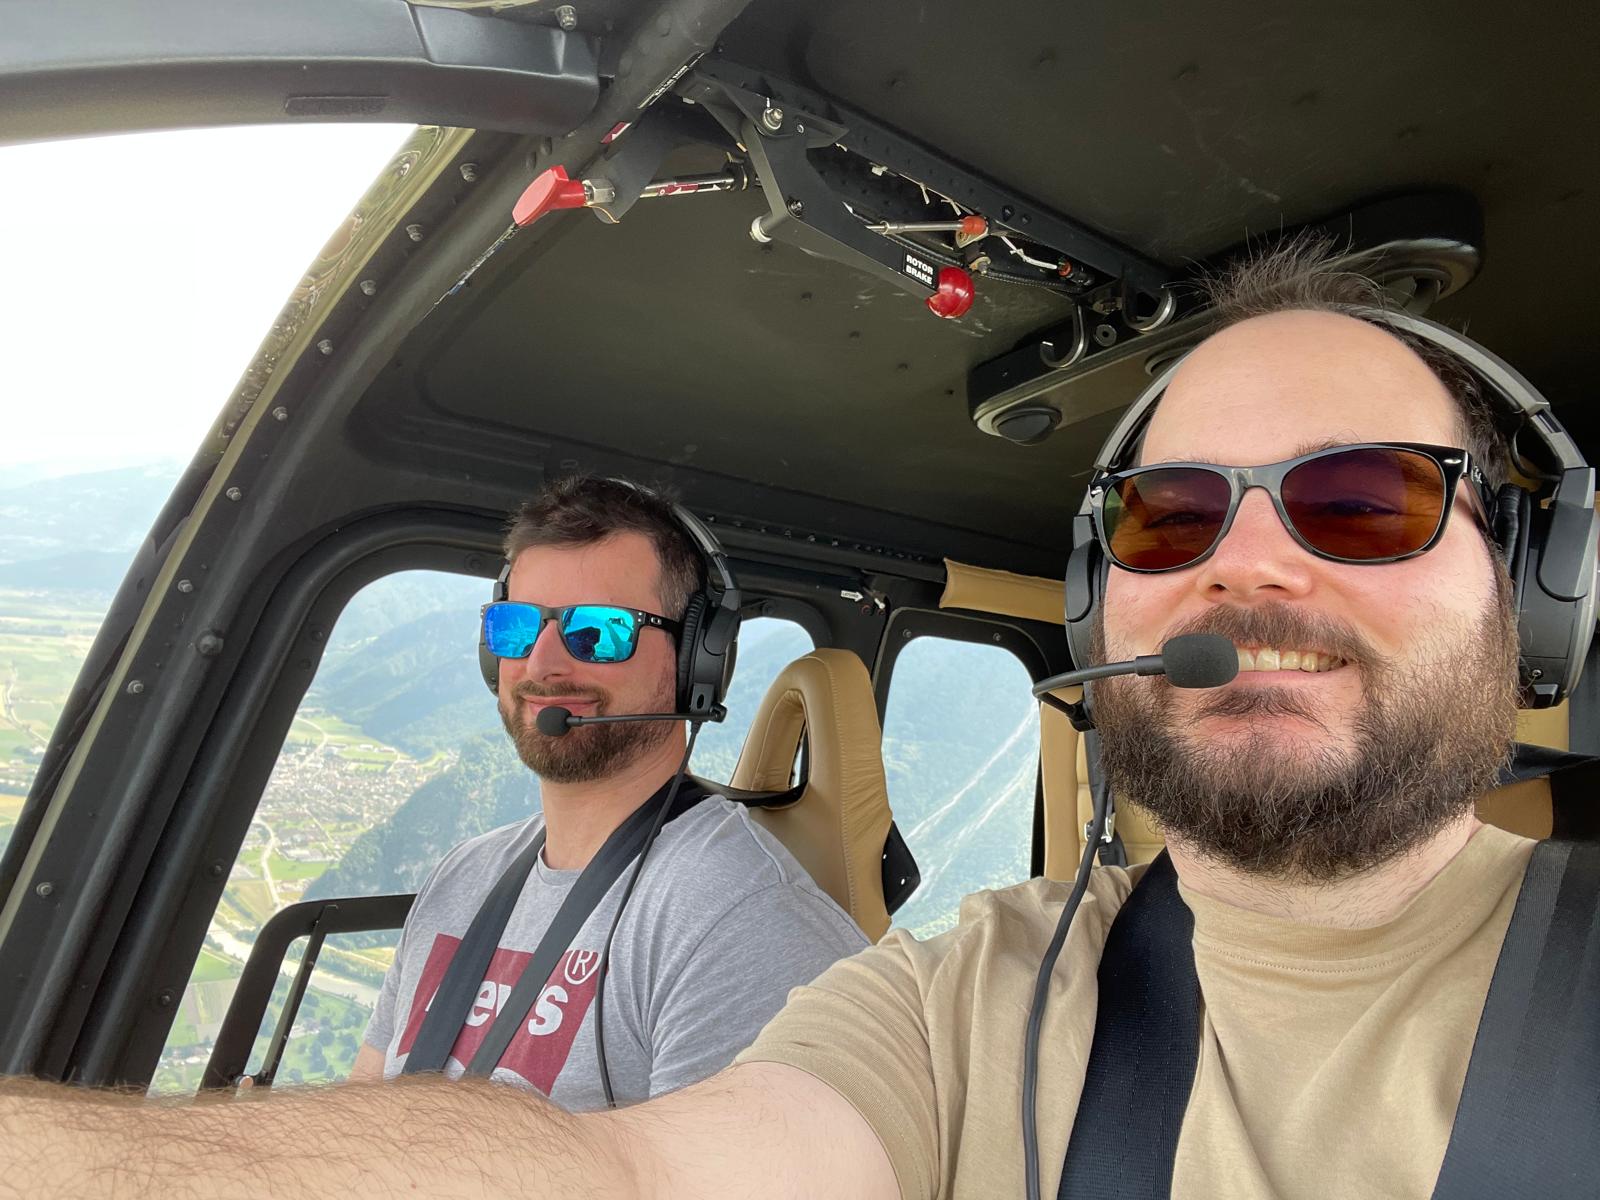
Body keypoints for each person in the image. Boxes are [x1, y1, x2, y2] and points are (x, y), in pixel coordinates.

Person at [0, 241, 1587, 1197]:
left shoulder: (729, 905)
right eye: (1171, 517)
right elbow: (628, 1173)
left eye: (1367, 502)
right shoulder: (975, 996)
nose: (1248, 564)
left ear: (1539, 590)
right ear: (1113, 601)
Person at [348, 476, 868, 1107]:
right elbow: (368, 1100)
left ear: (696, 661)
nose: (542, 663)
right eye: (514, 627)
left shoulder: (745, 922)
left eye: (598, 631)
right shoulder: (462, 876)